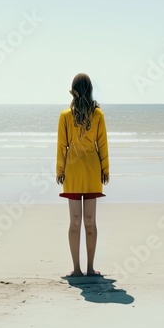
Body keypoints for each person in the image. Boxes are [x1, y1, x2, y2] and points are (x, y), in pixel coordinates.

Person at [56, 73, 109, 278]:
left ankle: (77, 269)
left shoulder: (65, 116)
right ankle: (90, 269)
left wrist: (60, 171)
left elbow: (62, 146)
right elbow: (102, 145)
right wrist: (105, 169)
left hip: (72, 171)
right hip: (92, 171)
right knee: (90, 221)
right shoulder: (98, 115)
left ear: (73, 90)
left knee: (75, 221)